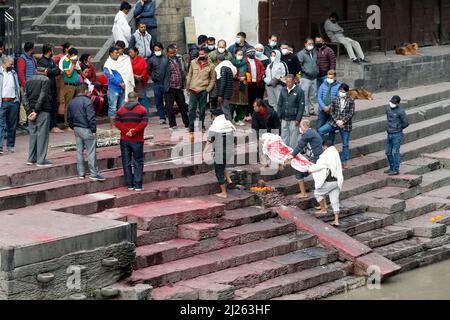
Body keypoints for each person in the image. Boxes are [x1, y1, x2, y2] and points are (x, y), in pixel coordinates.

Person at [67, 83, 106, 182]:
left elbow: (69, 118)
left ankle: (81, 173)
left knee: (79, 151)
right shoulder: (87, 101)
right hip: (86, 128)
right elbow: (91, 117)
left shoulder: (72, 102)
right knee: (91, 151)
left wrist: (73, 126)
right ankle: (94, 173)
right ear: (85, 91)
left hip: (77, 128)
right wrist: (93, 130)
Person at [115, 91, 149, 191]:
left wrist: (126, 131)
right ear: (137, 98)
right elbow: (144, 122)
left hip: (124, 139)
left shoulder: (121, 110)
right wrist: (134, 131)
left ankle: (129, 184)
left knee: (126, 162)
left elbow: (117, 122)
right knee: (138, 161)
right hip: (137, 139)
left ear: (128, 99)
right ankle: (138, 185)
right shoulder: (142, 109)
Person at [318, 83, 355, 169]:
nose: (341, 92)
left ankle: (344, 161)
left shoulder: (350, 100)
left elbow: (351, 113)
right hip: (334, 122)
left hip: (345, 125)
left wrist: (342, 121)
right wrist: (337, 121)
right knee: (320, 130)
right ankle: (323, 152)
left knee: (345, 143)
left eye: (343, 91)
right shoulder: (335, 99)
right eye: (340, 91)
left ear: (346, 92)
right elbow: (332, 111)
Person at [308, 139, 344, 226]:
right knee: (334, 200)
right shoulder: (335, 153)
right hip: (337, 181)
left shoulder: (327, 154)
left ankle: (323, 210)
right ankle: (336, 220)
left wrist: (310, 169)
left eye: (323, 147)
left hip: (330, 181)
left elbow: (321, 165)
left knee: (317, 193)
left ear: (325, 146)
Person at [23, 67, 52, 167]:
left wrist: (29, 111)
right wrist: (36, 111)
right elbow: (42, 95)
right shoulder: (46, 80)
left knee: (33, 135)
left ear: (35, 71)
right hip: (42, 110)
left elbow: (24, 97)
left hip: (31, 111)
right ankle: (40, 160)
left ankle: (31, 159)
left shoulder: (29, 80)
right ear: (45, 71)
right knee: (42, 136)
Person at [287, 119, 323, 199]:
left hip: (316, 159)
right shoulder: (312, 132)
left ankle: (303, 193)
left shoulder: (308, 133)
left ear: (304, 126)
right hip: (317, 157)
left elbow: (300, 146)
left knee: (298, 172)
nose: (300, 128)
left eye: (301, 126)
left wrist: (291, 156)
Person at [203, 109, 235, 199]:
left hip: (219, 153)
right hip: (228, 152)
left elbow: (209, 141)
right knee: (223, 165)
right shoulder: (228, 125)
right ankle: (229, 180)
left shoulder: (215, 127)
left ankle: (223, 193)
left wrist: (204, 152)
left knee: (219, 172)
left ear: (214, 116)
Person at [186, 48, 216, 134]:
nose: (201, 56)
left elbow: (213, 79)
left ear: (206, 55)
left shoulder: (211, 65)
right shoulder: (193, 63)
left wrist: (208, 89)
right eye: (200, 54)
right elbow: (189, 75)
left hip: (203, 90)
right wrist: (187, 88)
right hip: (193, 89)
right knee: (191, 108)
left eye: (203, 54)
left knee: (202, 109)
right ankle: (191, 126)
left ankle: (201, 125)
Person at [163, 44, 189, 130]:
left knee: (183, 106)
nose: (172, 54)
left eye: (174, 52)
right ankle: (172, 125)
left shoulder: (178, 60)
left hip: (179, 87)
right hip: (170, 87)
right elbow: (160, 74)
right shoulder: (165, 61)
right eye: (170, 53)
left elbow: (181, 71)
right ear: (167, 53)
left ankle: (187, 124)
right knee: (169, 107)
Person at [38, 44, 62, 134]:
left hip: (53, 87)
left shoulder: (52, 60)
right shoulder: (41, 61)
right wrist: (52, 71)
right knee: (47, 107)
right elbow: (44, 72)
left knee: (54, 106)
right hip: (45, 88)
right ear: (49, 51)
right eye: (52, 50)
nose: (53, 52)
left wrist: (51, 71)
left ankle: (54, 125)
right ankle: (50, 126)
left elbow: (57, 70)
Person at [0, 56, 21, 155]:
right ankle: (0, 147)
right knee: (1, 125)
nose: (12, 66)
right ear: (4, 63)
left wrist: (17, 100)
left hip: (13, 102)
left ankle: (10, 145)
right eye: (10, 64)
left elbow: (17, 86)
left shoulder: (14, 73)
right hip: (2, 102)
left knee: (12, 126)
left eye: (13, 64)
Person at [278, 74, 305, 149]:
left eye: (290, 82)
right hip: (284, 117)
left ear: (294, 81)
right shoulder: (283, 89)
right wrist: (279, 115)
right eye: (287, 82)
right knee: (284, 136)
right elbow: (279, 103)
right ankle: (284, 151)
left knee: (293, 138)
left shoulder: (299, 91)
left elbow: (301, 106)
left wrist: (298, 119)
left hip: (294, 118)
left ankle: (292, 153)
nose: (288, 84)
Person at [385, 95, 409, 176]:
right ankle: (391, 167)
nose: (392, 104)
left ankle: (396, 169)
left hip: (397, 134)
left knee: (395, 152)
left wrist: (399, 128)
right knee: (388, 152)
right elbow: (388, 119)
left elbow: (406, 123)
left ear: (398, 103)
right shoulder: (388, 109)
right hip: (389, 133)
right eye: (391, 102)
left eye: (394, 103)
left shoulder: (401, 111)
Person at [208, 40, 233, 114]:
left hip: (224, 79)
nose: (221, 48)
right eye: (220, 47)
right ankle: (213, 117)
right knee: (214, 98)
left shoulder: (229, 55)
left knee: (224, 100)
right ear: (217, 46)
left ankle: (223, 117)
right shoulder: (212, 54)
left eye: (223, 47)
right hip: (214, 80)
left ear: (225, 46)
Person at [104, 47, 126, 128]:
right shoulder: (108, 64)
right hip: (114, 89)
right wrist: (120, 84)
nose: (117, 54)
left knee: (122, 107)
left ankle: (120, 124)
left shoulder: (120, 62)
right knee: (113, 107)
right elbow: (110, 77)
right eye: (116, 53)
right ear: (111, 53)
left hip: (122, 88)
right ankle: (112, 125)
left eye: (118, 53)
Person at [297, 38, 319, 116]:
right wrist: (306, 71)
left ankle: (311, 110)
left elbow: (316, 63)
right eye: (309, 43)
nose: (311, 45)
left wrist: (316, 70)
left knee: (312, 95)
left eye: (312, 43)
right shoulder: (301, 53)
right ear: (305, 44)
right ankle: (303, 111)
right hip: (305, 77)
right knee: (304, 95)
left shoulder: (314, 52)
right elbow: (299, 65)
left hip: (314, 77)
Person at [147, 42, 168, 124]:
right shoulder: (151, 60)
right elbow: (148, 70)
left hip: (166, 82)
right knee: (158, 101)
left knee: (168, 100)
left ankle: (168, 115)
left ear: (162, 49)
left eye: (158, 50)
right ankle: (162, 117)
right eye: (155, 50)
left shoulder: (166, 59)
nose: (157, 51)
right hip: (157, 83)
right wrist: (153, 76)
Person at [61, 47, 80, 130]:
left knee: (75, 105)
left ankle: (74, 123)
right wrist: (73, 64)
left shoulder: (74, 62)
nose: (75, 57)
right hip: (69, 86)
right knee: (68, 105)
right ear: (70, 55)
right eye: (74, 55)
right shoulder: (65, 61)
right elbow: (68, 74)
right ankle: (67, 124)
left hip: (75, 85)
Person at [244, 48, 265, 123]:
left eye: (253, 52)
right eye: (250, 52)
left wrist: (259, 77)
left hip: (256, 83)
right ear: (247, 53)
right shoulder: (244, 61)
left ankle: (254, 114)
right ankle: (247, 114)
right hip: (248, 83)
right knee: (248, 99)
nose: (252, 53)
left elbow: (262, 70)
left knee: (255, 99)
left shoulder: (258, 61)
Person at [54, 42, 72, 126]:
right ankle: (61, 120)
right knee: (61, 100)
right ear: (66, 49)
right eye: (70, 47)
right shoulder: (59, 57)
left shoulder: (72, 58)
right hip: (61, 80)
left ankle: (65, 121)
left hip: (69, 81)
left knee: (67, 101)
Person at [229, 49, 248, 126]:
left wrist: (246, 77)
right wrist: (238, 77)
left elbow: (249, 72)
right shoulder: (231, 63)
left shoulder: (246, 63)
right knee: (231, 103)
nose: (240, 56)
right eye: (238, 54)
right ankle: (229, 120)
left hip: (243, 85)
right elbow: (230, 73)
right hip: (233, 85)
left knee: (242, 104)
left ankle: (239, 119)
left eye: (241, 54)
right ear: (235, 54)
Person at [215, 54, 236, 121]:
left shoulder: (223, 68)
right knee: (226, 109)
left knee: (225, 110)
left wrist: (220, 95)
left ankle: (229, 125)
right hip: (228, 92)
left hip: (225, 93)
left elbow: (223, 82)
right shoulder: (229, 67)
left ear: (218, 60)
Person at [129, 47, 150, 112]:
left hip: (139, 82)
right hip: (131, 82)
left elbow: (145, 70)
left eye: (131, 52)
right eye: (129, 52)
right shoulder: (128, 61)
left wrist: (140, 76)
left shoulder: (141, 60)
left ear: (136, 52)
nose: (130, 54)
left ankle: (145, 113)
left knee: (142, 98)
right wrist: (134, 75)